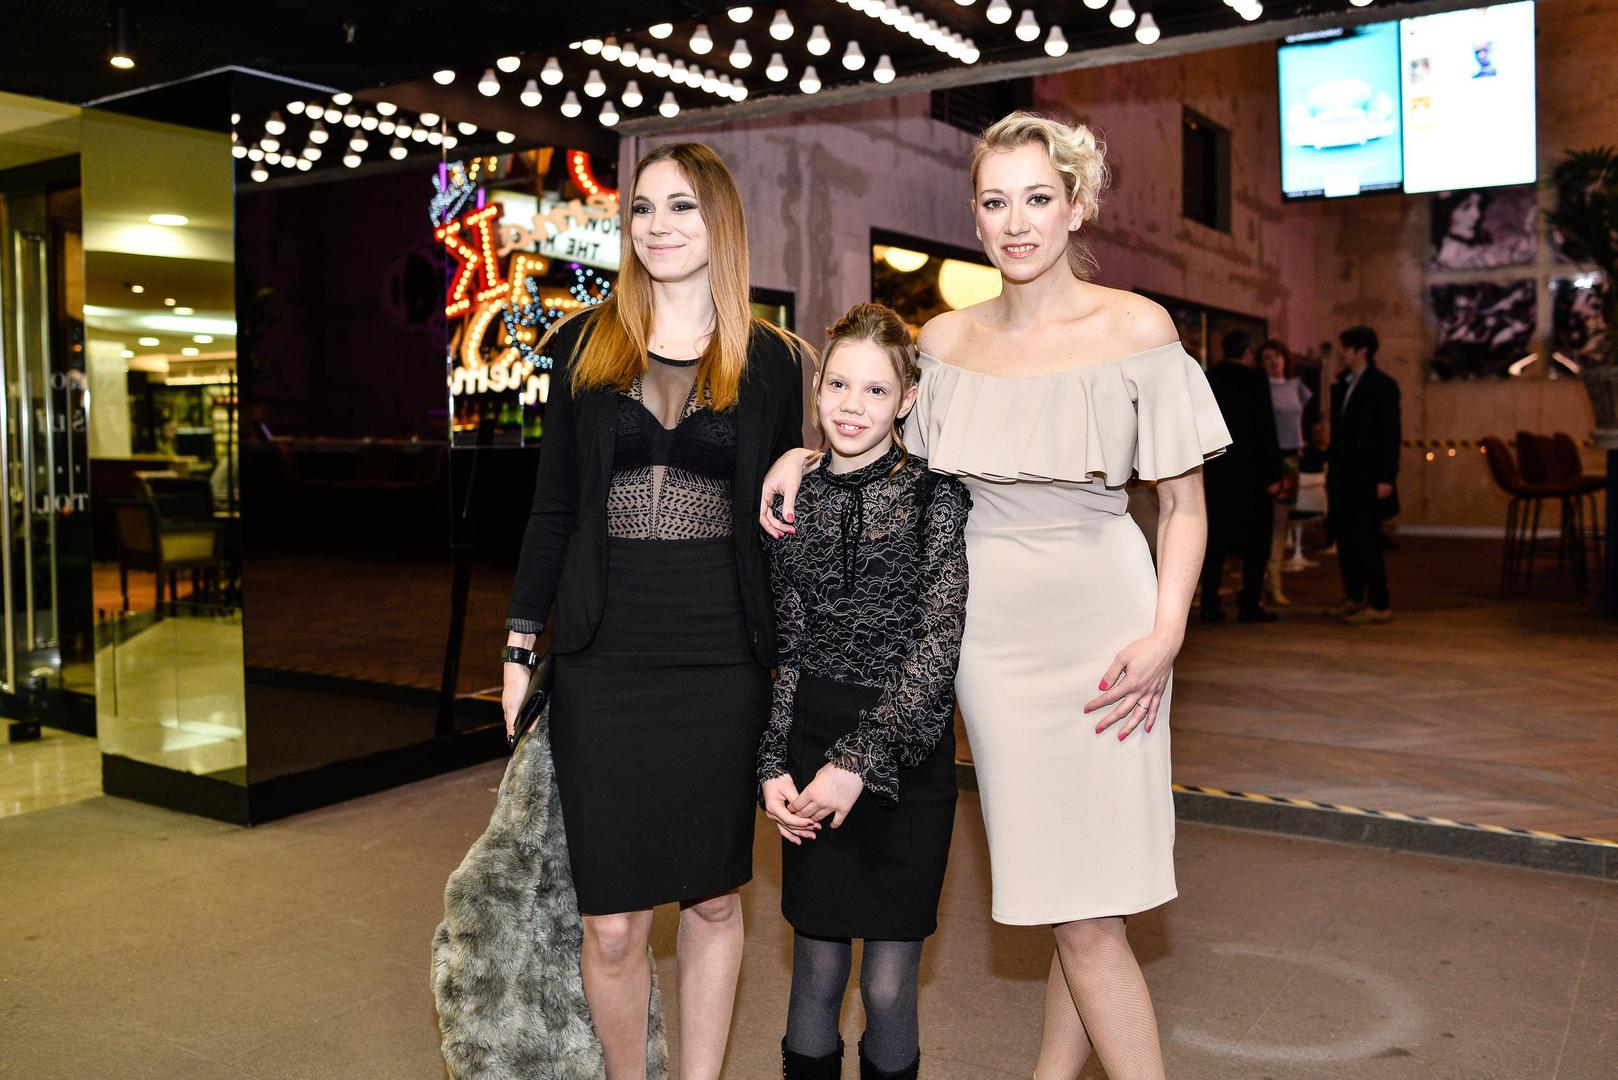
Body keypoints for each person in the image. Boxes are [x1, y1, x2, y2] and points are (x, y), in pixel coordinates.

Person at [761, 111, 1231, 1080]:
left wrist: (1167, 632)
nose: (1016, 222)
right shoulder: (945, 341)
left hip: (1109, 630)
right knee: (1073, 900)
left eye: (1037, 198)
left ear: (1076, 206)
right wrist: (800, 457)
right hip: (988, 644)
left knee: (1091, 910)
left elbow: (1184, 506)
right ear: (973, 217)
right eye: (994, 201)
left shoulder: (1138, 329)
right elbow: (879, 446)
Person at [501, 141, 806, 1080]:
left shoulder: (773, 360)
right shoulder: (585, 345)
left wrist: (807, 462)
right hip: (605, 654)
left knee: (713, 898)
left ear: (720, 223)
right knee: (612, 919)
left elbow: (796, 500)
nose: (657, 226)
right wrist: (520, 643)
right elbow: (553, 507)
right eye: (642, 208)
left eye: (681, 207)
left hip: (723, 658)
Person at [759, 303, 970, 1080]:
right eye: (839, 384)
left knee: (886, 987)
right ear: (818, 387)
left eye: (876, 390)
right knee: (816, 975)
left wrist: (859, 760)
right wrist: (771, 764)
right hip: (809, 747)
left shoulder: (936, 498)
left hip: (904, 762)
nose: (852, 405)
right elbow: (787, 648)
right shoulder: (792, 498)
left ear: (906, 399)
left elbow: (938, 645)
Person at [1198, 329, 1281, 623]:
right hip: (1253, 475)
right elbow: (1265, 427)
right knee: (1256, 543)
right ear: (1248, 352)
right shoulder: (1255, 380)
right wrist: (1274, 473)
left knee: (1214, 541)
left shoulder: (1209, 378)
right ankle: (1250, 604)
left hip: (1218, 473)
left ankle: (1209, 603)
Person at [1326, 324, 1401, 624]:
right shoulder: (1344, 384)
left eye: (1346, 348)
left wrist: (1386, 477)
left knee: (1367, 540)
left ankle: (1380, 604)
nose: (1341, 353)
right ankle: (1355, 596)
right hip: (1344, 477)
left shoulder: (1382, 385)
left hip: (1368, 477)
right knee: (1346, 539)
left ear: (1362, 350)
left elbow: (1390, 435)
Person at [1261, 338, 1313, 606]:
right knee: (1263, 520)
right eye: (1267, 358)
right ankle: (1260, 579)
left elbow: (1305, 418)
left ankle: (1275, 580)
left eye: (1277, 356)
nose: (1274, 362)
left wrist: (1302, 441)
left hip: (1291, 458)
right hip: (1269, 458)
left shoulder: (1296, 386)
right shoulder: (1260, 389)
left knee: (1281, 521)